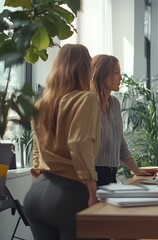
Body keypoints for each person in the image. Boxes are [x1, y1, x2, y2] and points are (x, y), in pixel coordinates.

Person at [23, 44, 101, 240]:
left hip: (36, 194)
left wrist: (36, 183)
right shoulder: (86, 99)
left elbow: (37, 151)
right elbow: (80, 144)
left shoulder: (42, 104)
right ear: (85, 68)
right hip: (69, 194)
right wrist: (92, 192)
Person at [90, 54, 158, 186]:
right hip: (91, 174)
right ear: (101, 74)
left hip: (110, 173)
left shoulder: (114, 103)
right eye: (116, 73)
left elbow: (120, 141)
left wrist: (136, 170)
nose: (121, 78)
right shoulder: (89, 104)